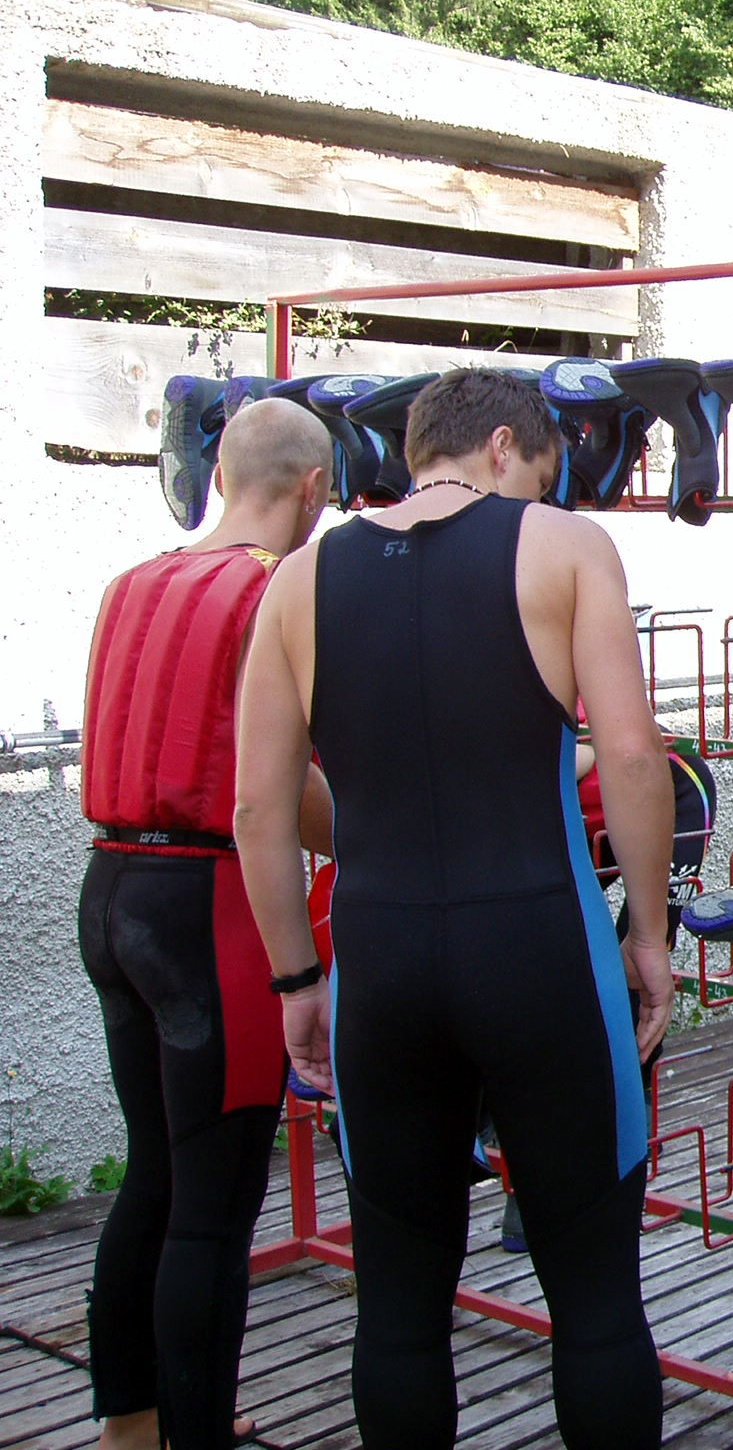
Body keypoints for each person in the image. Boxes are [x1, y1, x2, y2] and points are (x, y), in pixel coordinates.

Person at [233, 367, 674, 1450]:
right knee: (596, 1298)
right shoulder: (565, 546)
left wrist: (297, 981)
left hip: (379, 961)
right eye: (538, 475)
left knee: (397, 1303)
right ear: (502, 448)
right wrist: (650, 936)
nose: (536, 497)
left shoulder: (300, 579)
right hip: (539, 948)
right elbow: (630, 755)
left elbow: (257, 807)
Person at [78, 398, 333, 1450]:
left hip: (109, 890)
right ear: (315, 489)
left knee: (153, 1172)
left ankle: (127, 1427)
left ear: (219, 475)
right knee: (214, 1210)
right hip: (207, 907)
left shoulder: (129, 582)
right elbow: (279, 793)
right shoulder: (276, 590)